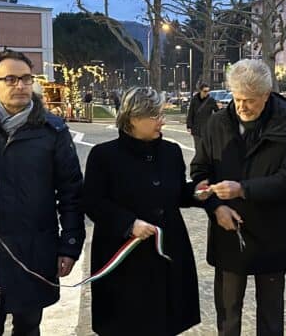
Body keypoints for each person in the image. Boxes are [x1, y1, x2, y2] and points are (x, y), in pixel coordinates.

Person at [0, 49, 85, 336]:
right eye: (11, 79)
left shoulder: (53, 131)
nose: (21, 86)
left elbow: (71, 192)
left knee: (29, 327)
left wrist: (70, 244)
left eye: (26, 79)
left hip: (34, 249)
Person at [191, 59, 286, 336]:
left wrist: (242, 189)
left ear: (266, 96)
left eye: (250, 100)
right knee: (228, 317)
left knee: (270, 319)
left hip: (272, 232)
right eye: (237, 98)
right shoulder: (217, 122)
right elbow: (200, 170)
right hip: (228, 230)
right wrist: (216, 207)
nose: (242, 106)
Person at [83, 87, 202, 335]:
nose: (162, 121)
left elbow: (178, 194)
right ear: (134, 118)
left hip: (166, 252)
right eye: (155, 116)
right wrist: (128, 223)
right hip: (123, 256)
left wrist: (198, 192)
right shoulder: (103, 156)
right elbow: (94, 202)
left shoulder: (171, 152)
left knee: (165, 322)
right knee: (127, 324)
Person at [186, 81, 218, 148]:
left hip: (207, 128)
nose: (207, 93)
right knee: (198, 147)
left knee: (207, 147)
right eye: (205, 91)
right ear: (200, 91)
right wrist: (189, 125)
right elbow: (191, 112)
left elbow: (217, 112)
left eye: (208, 91)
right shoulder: (194, 99)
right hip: (196, 128)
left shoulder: (211, 100)